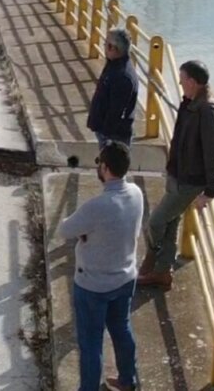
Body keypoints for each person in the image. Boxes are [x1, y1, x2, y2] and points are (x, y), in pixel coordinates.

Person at [57, 140, 143, 391]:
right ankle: (128, 381)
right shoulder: (136, 194)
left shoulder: (97, 206)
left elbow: (64, 229)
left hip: (93, 285)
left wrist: (86, 234)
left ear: (105, 168)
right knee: (122, 329)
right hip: (125, 278)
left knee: (91, 343)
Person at [139, 59, 214, 290]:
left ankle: (154, 260)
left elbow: (213, 155)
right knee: (169, 224)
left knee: (156, 222)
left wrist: (210, 191)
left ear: (192, 81)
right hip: (178, 174)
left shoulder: (208, 112)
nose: (179, 84)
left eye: (182, 80)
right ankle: (162, 273)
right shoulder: (192, 103)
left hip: (189, 181)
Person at [87, 28, 140, 147]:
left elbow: (116, 112)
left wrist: (107, 136)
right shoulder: (113, 65)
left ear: (113, 48)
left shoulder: (123, 76)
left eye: (106, 44)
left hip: (114, 137)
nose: (104, 46)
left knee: (111, 165)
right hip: (106, 132)